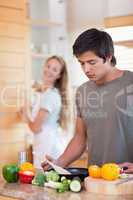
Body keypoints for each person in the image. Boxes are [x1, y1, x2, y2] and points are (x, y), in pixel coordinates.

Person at [42, 28, 133, 172]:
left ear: (108, 57)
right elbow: (80, 138)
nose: (86, 69)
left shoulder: (130, 83)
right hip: (94, 180)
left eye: (92, 62)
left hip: (127, 183)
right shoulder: (82, 91)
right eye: (81, 63)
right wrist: (58, 163)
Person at [19, 55, 71, 169]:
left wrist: (26, 110)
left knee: (44, 183)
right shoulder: (45, 93)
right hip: (42, 144)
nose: (49, 71)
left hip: (49, 148)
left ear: (59, 75)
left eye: (54, 69)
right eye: (48, 66)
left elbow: (35, 127)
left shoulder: (51, 96)